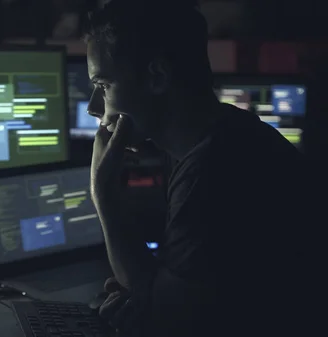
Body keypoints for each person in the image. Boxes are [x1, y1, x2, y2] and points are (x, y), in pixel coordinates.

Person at [84, 1, 318, 336]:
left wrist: (102, 191)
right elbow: (183, 292)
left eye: (103, 86)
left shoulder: (213, 170)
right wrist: (145, 291)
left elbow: (171, 320)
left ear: (159, 77)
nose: (94, 107)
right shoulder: (229, 134)